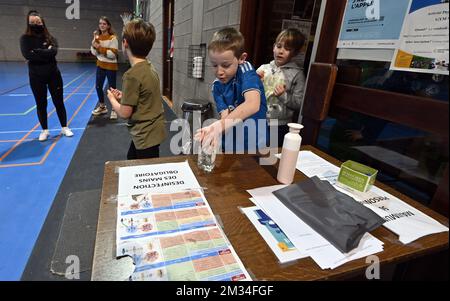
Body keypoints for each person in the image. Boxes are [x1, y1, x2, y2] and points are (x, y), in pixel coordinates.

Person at [195, 27, 268, 153]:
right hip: (232, 142)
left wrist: (219, 126)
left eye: (226, 65)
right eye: (214, 65)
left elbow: (252, 104)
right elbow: (225, 116)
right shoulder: (217, 86)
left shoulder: (246, 71)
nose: (219, 72)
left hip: (254, 141)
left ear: (241, 58)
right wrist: (216, 134)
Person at [107, 19, 166, 160]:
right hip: (153, 132)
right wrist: (124, 96)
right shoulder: (149, 67)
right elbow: (145, 97)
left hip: (144, 136)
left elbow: (124, 112)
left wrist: (112, 100)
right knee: (131, 159)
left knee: (144, 172)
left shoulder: (131, 76)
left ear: (125, 43)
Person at [20, 10, 73, 141]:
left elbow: (53, 52)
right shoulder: (25, 39)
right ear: (28, 23)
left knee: (59, 102)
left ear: (42, 22)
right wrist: (45, 52)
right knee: (41, 103)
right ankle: (45, 130)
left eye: (37, 22)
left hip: (54, 75)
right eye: (32, 22)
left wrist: (37, 52)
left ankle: (64, 127)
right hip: (36, 77)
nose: (35, 24)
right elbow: (27, 55)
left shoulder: (51, 38)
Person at [257, 28, 306, 146]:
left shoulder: (297, 74)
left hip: (279, 125)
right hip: (258, 120)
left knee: (270, 157)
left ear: (294, 53)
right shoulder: (263, 68)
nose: (281, 51)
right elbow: (248, 94)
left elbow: (299, 103)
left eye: (287, 49)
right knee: (253, 153)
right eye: (279, 46)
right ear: (274, 47)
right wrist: (255, 82)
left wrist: (283, 95)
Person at [91, 16, 119, 119]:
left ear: (108, 26)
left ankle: (114, 109)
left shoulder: (113, 38)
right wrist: (94, 44)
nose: (102, 25)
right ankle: (102, 107)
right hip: (100, 65)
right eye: (100, 23)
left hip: (111, 66)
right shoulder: (98, 37)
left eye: (104, 24)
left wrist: (100, 48)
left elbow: (112, 55)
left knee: (112, 89)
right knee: (98, 86)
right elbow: (94, 53)